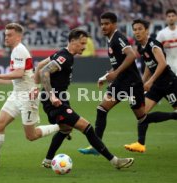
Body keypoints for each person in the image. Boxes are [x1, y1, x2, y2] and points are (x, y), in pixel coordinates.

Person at [35, 28, 135, 170]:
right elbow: (45, 71)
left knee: (66, 128)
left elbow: (39, 66)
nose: (84, 46)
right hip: (55, 101)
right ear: (73, 41)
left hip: (59, 99)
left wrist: (36, 87)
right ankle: (115, 161)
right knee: (87, 127)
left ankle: (47, 160)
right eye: (82, 43)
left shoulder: (63, 54)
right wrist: (51, 95)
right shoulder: (65, 57)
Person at [78, 12, 177, 155]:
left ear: (114, 24)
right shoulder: (118, 41)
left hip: (138, 83)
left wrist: (145, 81)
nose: (103, 27)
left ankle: (172, 117)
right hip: (123, 82)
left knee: (142, 117)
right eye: (102, 24)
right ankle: (97, 146)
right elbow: (145, 64)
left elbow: (132, 56)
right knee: (102, 109)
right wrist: (106, 76)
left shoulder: (119, 39)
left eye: (106, 24)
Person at [0, 23, 59, 168]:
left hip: (28, 97)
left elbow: (19, 73)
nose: (6, 37)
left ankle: (60, 126)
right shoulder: (15, 51)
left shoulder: (19, 50)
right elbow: (19, 78)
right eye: (5, 34)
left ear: (18, 36)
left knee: (30, 136)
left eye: (9, 35)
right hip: (17, 94)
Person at [124, 19, 177, 151]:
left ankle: (174, 115)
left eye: (140, 29)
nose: (137, 32)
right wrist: (143, 81)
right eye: (135, 29)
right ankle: (140, 144)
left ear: (147, 30)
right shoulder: (140, 46)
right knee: (142, 113)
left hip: (169, 83)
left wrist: (150, 81)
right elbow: (149, 64)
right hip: (157, 85)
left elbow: (163, 63)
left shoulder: (153, 44)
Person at [156, 9, 177, 75]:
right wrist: (162, 46)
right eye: (169, 16)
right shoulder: (161, 33)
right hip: (168, 64)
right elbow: (155, 49)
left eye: (173, 16)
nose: (171, 18)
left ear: (176, 17)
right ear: (166, 18)